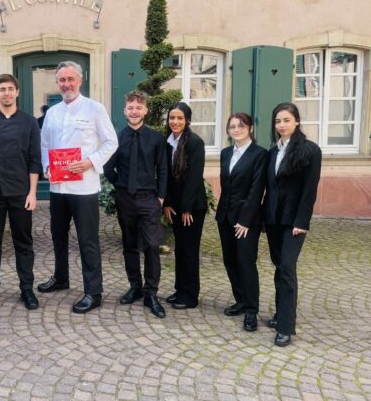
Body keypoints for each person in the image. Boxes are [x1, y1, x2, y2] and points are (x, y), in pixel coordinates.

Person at [38, 61, 118, 313]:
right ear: (57, 83)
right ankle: (61, 277)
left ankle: (94, 292)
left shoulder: (95, 109)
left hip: (84, 188)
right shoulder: (52, 113)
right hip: (58, 187)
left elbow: (111, 142)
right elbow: (44, 144)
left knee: (87, 240)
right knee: (58, 235)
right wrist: (46, 166)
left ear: (80, 81)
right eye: (62, 80)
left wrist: (90, 162)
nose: (66, 84)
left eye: (70, 79)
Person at [0, 74, 41, 310]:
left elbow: (34, 160)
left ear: (17, 92)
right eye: (2, 89)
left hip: (21, 191)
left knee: (24, 243)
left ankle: (27, 289)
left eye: (11, 89)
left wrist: (33, 193)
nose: (7, 93)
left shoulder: (30, 122)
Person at [103, 90, 167, 318]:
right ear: (125, 111)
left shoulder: (156, 138)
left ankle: (151, 293)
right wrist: (119, 184)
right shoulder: (116, 138)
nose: (134, 111)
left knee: (151, 245)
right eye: (130, 107)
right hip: (125, 198)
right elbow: (107, 167)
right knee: (129, 245)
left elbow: (163, 168)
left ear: (145, 110)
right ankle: (135, 287)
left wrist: (161, 196)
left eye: (139, 107)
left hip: (149, 198)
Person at [264, 102, 321, 347]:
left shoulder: (310, 150)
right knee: (279, 266)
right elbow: (270, 188)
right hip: (273, 219)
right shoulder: (272, 152)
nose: (281, 125)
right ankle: (282, 314)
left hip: (294, 221)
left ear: (297, 121)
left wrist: (302, 221)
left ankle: (286, 327)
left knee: (287, 267)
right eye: (277, 121)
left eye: (286, 120)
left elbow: (310, 190)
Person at [215, 113, 267, 333]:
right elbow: (226, 186)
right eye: (232, 126)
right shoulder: (226, 153)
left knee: (246, 262)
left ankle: (252, 310)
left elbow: (257, 190)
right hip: (225, 216)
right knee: (230, 261)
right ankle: (241, 300)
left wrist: (245, 220)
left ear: (250, 128)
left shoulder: (259, 154)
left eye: (241, 126)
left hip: (247, 220)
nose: (236, 129)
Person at [163, 102, 206, 310]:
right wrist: (167, 203)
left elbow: (194, 177)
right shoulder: (167, 141)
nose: (175, 121)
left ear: (187, 120)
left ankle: (190, 295)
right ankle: (180, 289)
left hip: (192, 207)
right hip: (175, 206)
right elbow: (166, 176)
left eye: (180, 118)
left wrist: (186, 208)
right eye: (172, 117)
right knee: (180, 250)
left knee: (189, 251)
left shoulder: (195, 142)